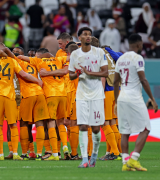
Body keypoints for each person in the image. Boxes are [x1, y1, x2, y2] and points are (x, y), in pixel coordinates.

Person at [114, 33, 158, 171]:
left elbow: (116, 81)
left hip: (122, 97)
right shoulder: (138, 58)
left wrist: (116, 101)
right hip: (134, 97)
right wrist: (152, 98)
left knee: (125, 132)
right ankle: (133, 159)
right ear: (140, 44)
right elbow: (143, 79)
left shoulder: (120, 59)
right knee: (145, 128)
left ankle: (125, 163)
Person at [17, 48, 69, 160]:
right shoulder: (59, 59)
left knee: (48, 124)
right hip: (62, 94)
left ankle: (53, 153)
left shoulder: (38, 61)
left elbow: (21, 57)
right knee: (59, 123)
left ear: (40, 56)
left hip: (48, 94)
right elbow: (73, 57)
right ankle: (64, 148)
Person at [68, 27, 108, 168]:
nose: (88, 37)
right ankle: (85, 159)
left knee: (96, 129)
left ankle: (94, 155)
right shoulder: (74, 54)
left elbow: (105, 73)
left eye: (89, 35)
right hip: (82, 95)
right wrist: (78, 73)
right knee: (83, 126)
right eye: (85, 34)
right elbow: (70, 75)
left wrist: (89, 73)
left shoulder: (99, 52)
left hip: (97, 94)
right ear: (79, 38)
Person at [13, 47, 50, 160]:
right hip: (40, 93)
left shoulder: (17, 62)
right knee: (40, 124)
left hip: (27, 94)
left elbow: (24, 75)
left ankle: (25, 152)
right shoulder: (35, 63)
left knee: (24, 124)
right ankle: (39, 153)